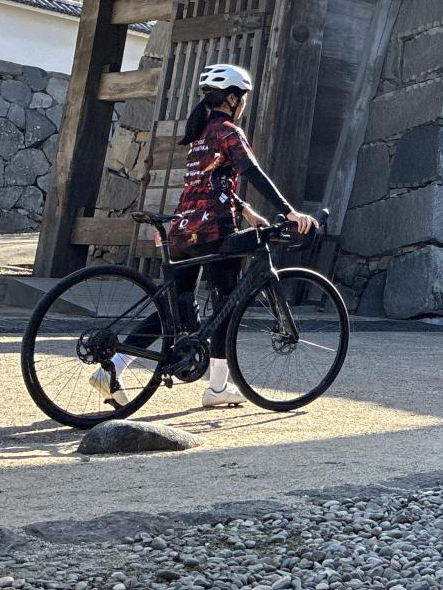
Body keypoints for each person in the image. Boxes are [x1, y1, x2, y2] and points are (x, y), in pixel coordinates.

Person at [90, 63, 317, 409]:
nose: (243, 104)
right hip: (214, 231)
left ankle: (115, 367)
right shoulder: (228, 131)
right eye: (242, 98)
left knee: (177, 311)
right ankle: (216, 388)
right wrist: (289, 211)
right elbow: (251, 172)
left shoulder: (199, 136)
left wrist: (246, 211)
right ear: (231, 98)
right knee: (227, 303)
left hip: (183, 230)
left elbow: (208, 184)